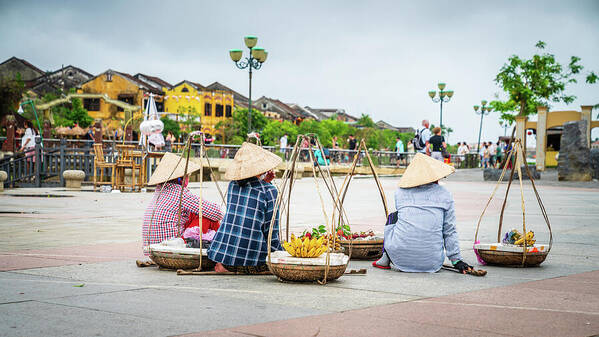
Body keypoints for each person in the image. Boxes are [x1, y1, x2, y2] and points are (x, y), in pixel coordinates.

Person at [373, 153, 473, 273]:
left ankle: (385, 258)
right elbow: (449, 230)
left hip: (400, 259)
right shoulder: (445, 194)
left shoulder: (400, 192)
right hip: (433, 262)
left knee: (393, 217)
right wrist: (456, 260)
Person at [208, 142, 283, 274]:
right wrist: (281, 255)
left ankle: (225, 267)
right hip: (250, 261)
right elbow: (271, 232)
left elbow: (249, 199)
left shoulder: (233, 185)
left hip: (221, 255)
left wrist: (264, 182)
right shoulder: (269, 191)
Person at [141, 152, 224, 262]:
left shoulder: (159, 191)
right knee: (209, 217)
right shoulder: (180, 193)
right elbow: (217, 212)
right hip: (173, 245)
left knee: (195, 213)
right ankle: (222, 249)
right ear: (181, 179)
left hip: (151, 250)